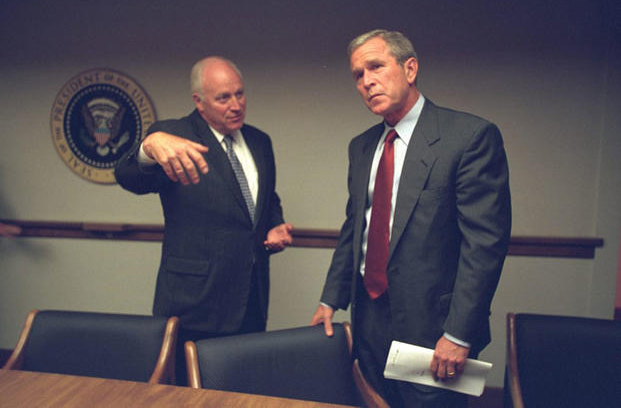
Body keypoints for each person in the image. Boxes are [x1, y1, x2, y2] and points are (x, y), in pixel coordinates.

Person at [311, 30, 511, 407]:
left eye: (375, 67)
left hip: (435, 331)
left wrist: (459, 334)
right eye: (357, 75)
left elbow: (484, 246)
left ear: (410, 69)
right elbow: (357, 228)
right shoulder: (362, 146)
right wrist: (330, 299)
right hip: (369, 319)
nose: (366, 81)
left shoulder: (468, 137)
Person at [115, 56, 293, 384]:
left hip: (250, 297)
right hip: (194, 301)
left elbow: (264, 199)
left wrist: (274, 224)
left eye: (239, 94)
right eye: (223, 98)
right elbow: (130, 178)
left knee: (242, 390)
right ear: (199, 102)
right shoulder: (171, 135)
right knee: (187, 394)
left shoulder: (259, 141)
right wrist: (148, 147)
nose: (236, 104)